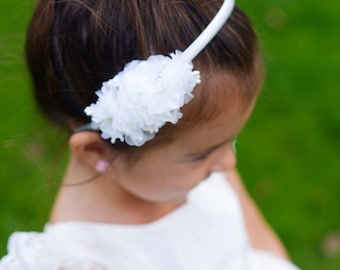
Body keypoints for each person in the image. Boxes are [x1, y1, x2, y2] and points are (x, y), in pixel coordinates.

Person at [0, 0, 300, 269]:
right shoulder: (83, 260)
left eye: (229, 141)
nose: (228, 163)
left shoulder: (197, 159)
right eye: (202, 155)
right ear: (97, 152)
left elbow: (257, 239)